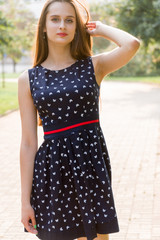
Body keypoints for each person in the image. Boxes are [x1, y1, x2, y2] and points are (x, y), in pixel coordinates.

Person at [18, 0, 140, 240]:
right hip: (52, 171)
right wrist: (25, 202)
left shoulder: (93, 66)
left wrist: (101, 27)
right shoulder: (28, 79)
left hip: (90, 167)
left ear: (77, 27)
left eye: (69, 20)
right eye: (55, 19)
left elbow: (131, 44)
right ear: (43, 26)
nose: (62, 25)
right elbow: (28, 144)